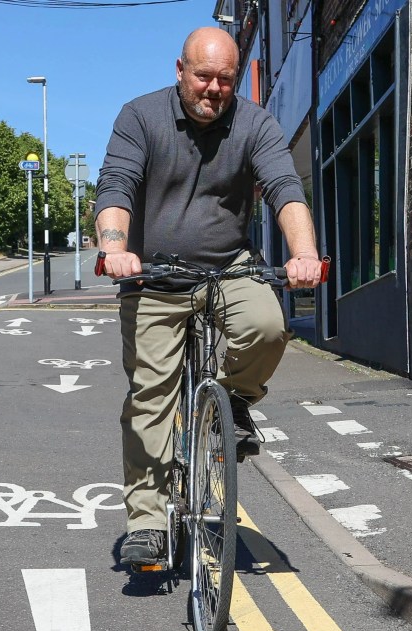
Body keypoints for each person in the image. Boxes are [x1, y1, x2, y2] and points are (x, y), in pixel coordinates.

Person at [95, 26, 325, 567]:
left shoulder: (254, 123)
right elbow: (116, 187)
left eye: (225, 79)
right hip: (154, 277)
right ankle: (149, 522)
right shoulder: (140, 117)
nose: (214, 89)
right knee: (151, 396)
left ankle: (233, 402)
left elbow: (285, 190)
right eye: (203, 76)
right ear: (180, 71)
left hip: (227, 267)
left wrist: (305, 254)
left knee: (267, 325)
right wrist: (116, 248)